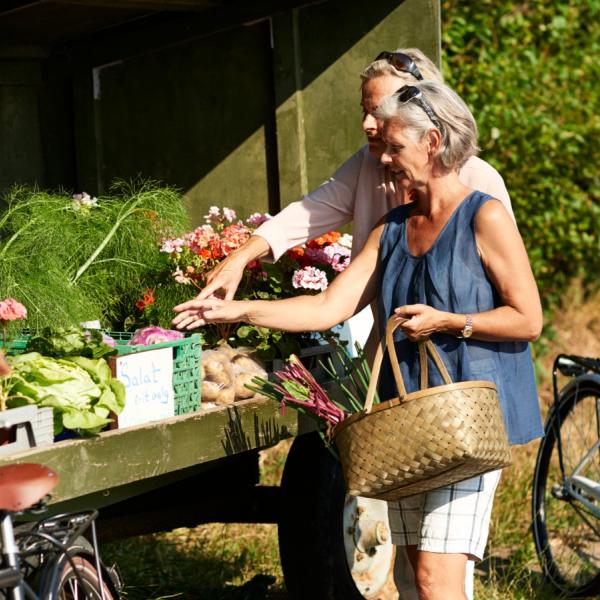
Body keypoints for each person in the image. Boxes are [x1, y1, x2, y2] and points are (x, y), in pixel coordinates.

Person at [173, 79, 544, 600]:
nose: (385, 161)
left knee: (438, 581)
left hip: (469, 421)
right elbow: (329, 306)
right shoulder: (391, 228)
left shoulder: (484, 216)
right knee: (418, 578)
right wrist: (236, 308)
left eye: (395, 148)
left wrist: (448, 321)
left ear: (433, 143)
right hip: (408, 424)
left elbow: (528, 319)